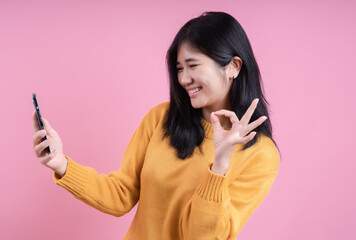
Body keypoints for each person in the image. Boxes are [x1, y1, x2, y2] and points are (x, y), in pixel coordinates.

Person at [32, 11, 280, 240]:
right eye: (179, 69)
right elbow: (120, 195)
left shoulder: (260, 154)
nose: (183, 79)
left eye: (193, 65)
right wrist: (61, 164)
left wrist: (220, 164)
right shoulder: (161, 119)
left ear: (233, 67)